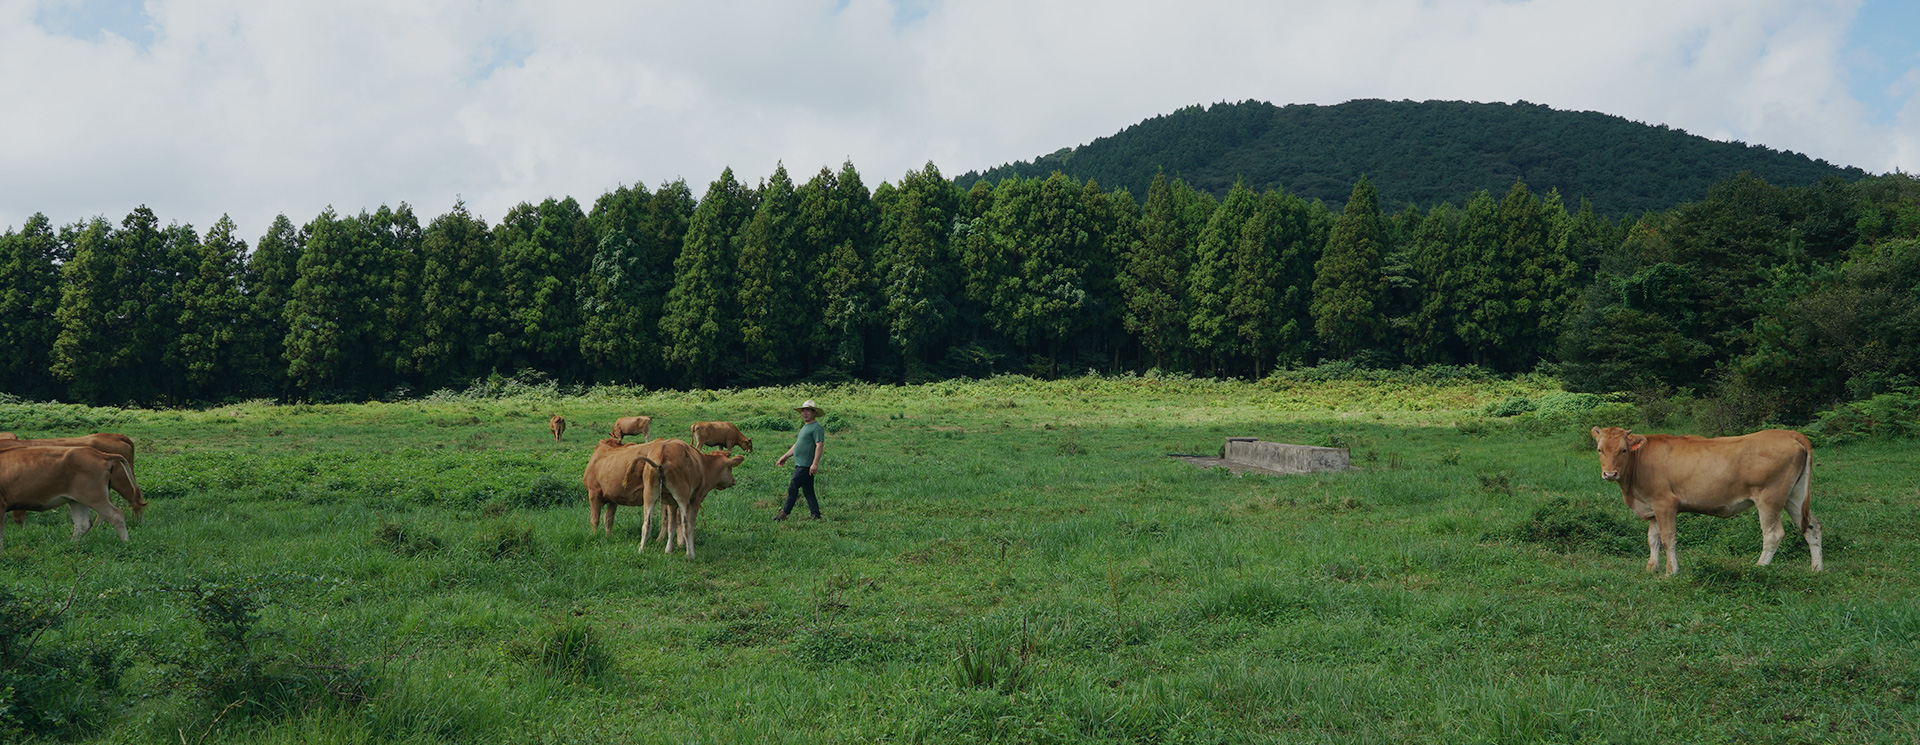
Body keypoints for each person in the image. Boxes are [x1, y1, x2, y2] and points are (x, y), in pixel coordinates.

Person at [774, 399, 826, 521]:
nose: (804, 413)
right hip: (800, 464)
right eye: (803, 411)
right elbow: (797, 445)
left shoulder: (817, 428)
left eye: (808, 410)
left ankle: (784, 513)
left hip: (805, 465)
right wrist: (785, 456)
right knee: (808, 491)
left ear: (814, 413)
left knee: (793, 487)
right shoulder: (805, 427)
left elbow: (819, 445)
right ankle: (816, 514)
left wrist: (814, 463)